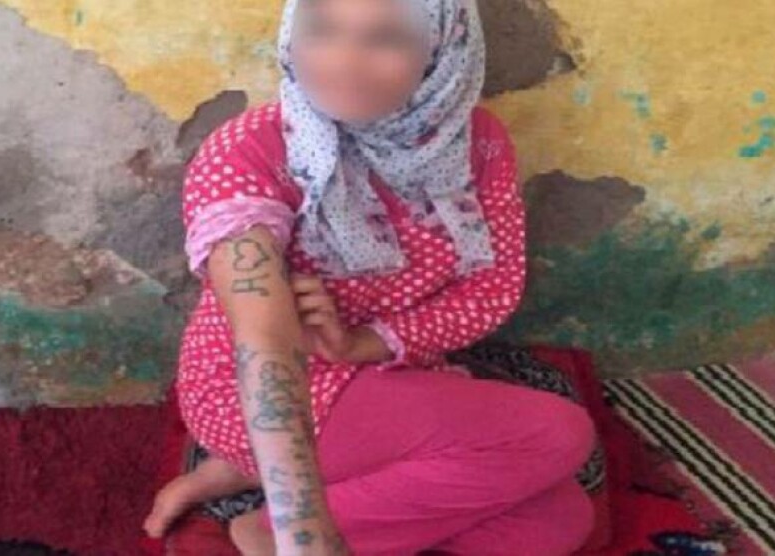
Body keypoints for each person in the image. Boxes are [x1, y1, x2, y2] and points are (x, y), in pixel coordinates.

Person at [144, 0, 598, 554]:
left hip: (383, 368)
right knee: (556, 433)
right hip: (257, 389)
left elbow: (490, 289)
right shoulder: (250, 152)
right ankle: (269, 525)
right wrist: (303, 530)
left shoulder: (475, 142)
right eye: (322, 30)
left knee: (558, 522)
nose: (344, 63)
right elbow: (264, 343)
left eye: (385, 39)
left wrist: (368, 342)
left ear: (441, 48)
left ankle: (262, 488)